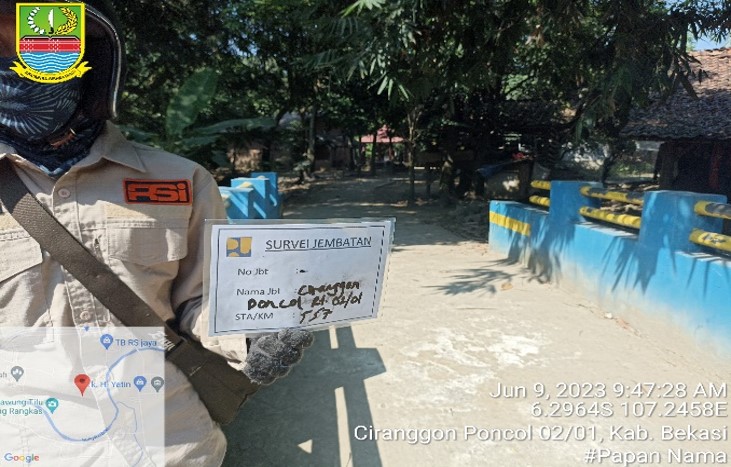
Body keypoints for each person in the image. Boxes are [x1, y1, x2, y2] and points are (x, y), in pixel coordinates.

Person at [0, 1, 311, 465]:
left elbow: (202, 299)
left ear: (92, 55)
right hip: (32, 449)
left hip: (173, 444)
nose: (16, 66)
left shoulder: (182, 181)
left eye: (41, 44)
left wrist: (249, 333)